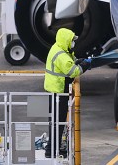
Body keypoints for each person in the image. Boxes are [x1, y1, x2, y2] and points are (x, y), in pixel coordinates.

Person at [44, 28, 90, 158]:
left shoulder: (59, 49)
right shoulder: (61, 55)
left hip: (55, 91)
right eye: (71, 41)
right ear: (66, 41)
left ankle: (54, 148)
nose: (73, 43)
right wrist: (84, 66)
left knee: (56, 122)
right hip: (58, 93)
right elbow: (73, 71)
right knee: (58, 122)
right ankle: (52, 150)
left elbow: (70, 62)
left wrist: (77, 61)